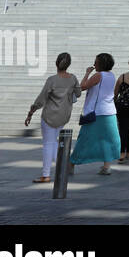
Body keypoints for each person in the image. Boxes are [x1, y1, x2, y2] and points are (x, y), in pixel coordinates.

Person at [25, 51, 81, 183]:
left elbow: (41, 99)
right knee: (54, 142)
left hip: (49, 116)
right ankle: (63, 167)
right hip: (63, 116)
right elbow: (78, 93)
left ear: (56, 63)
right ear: (68, 65)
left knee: (48, 143)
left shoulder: (52, 80)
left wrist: (31, 112)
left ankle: (46, 174)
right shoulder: (73, 78)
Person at [69, 53, 121, 175]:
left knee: (85, 138)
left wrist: (87, 73)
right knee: (107, 139)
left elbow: (82, 87)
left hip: (97, 113)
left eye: (96, 62)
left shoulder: (98, 75)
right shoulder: (111, 75)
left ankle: (72, 163)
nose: (94, 64)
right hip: (110, 112)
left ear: (101, 64)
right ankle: (107, 166)